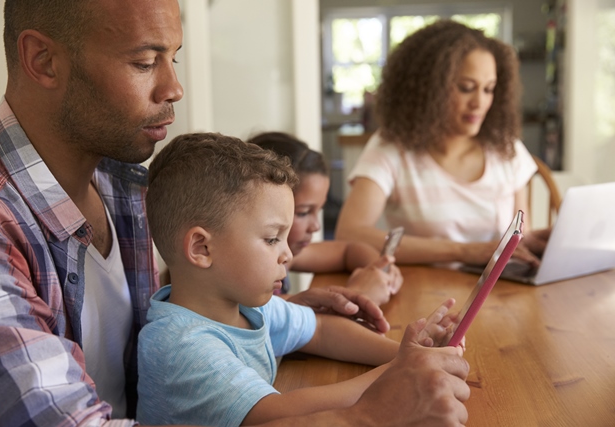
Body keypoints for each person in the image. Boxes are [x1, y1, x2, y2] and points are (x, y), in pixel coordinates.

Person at [0, 1, 470, 425]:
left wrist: (280, 308)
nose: (174, 88)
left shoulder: (121, 179)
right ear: (43, 59)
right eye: (146, 62)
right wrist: (369, 414)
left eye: (174, 57)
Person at [137, 132, 463, 426]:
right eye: (271, 239)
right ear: (202, 248)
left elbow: (320, 330)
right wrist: (401, 372)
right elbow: (279, 413)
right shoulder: (181, 346)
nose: (288, 255)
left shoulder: (243, 307)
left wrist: (404, 353)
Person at [335, 20, 551, 267]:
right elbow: (350, 233)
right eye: (466, 88)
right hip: (426, 295)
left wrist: (535, 242)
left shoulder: (506, 148)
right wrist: (462, 251)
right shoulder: (391, 149)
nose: (479, 103)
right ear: (428, 89)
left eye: (489, 89)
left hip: (501, 294)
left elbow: (519, 237)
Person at [248, 131, 402, 305]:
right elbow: (285, 314)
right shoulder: (253, 273)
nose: (315, 226)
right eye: (304, 212)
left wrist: (378, 268)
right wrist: (356, 294)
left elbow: (348, 251)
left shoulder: (286, 255)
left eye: (318, 210)